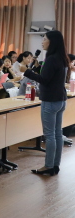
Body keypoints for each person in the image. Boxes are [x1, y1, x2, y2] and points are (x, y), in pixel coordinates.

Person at [23, 31, 69, 176]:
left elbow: (44, 80)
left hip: (50, 101)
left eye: (44, 39)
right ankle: (55, 165)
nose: (42, 42)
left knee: (49, 135)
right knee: (57, 134)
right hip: (60, 100)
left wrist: (27, 72)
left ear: (51, 42)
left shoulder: (51, 59)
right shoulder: (62, 58)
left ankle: (48, 166)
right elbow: (50, 76)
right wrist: (38, 68)